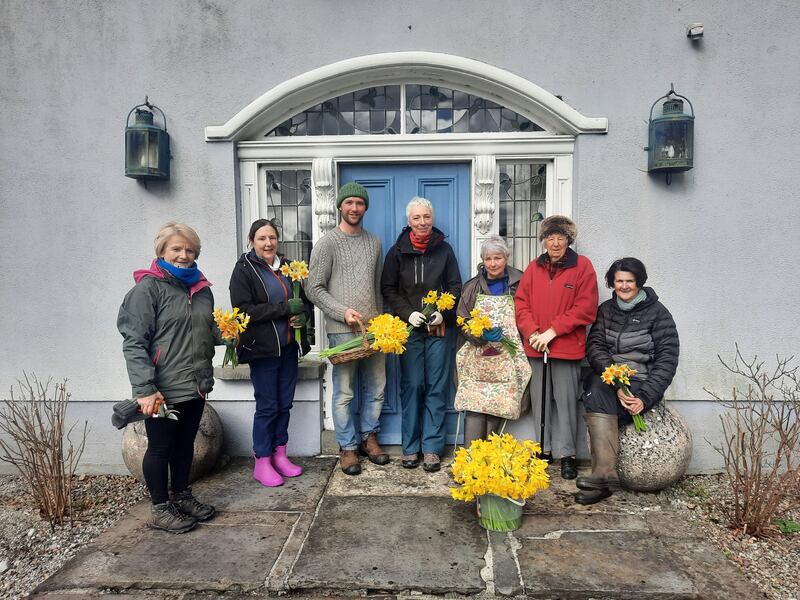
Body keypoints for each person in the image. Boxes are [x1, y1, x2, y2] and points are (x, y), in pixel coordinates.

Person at [117, 222, 218, 534]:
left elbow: (205, 331)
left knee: (185, 444)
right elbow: (134, 341)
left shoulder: (201, 290)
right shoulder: (148, 289)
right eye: (176, 249)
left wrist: (227, 332)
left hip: (195, 384)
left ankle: (182, 495)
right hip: (162, 388)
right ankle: (161, 508)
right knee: (160, 448)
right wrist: (145, 389)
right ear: (161, 251)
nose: (183, 255)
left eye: (189, 250)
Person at [575, 257, 680, 504]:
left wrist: (644, 398)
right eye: (619, 281)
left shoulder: (658, 313)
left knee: (605, 404)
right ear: (612, 283)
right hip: (611, 377)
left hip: (642, 381)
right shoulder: (606, 310)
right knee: (595, 391)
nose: (623, 286)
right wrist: (614, 377)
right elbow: (596, 345)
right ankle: (604, 475)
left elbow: (667, 360)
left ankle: (600, 480)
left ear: (639, 282)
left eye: (629, 281)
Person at [306, 182, 390, 476]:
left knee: (377, 387)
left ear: (365, 207)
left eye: (360, 203)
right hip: (343, 331)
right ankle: (348, 447)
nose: (354, 208)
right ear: (340, 206)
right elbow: (313, 289)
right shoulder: (327, 243)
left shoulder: (374, 243)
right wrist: (343, 312)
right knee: (344, 392)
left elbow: (377, 287)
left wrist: (381, 322)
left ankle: (370, 438)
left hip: (373, 331)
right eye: (349, 203)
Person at [229, 219, 312, 487]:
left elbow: (304, 303)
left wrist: (302, 317)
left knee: (284, 403)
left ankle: (280, 454)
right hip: (263, 350)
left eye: (272, 238)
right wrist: (285, 309)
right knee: (267, 406)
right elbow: (244, 311)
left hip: (287, 348)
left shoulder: (288, 267)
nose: (268, 243)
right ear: (252, 241)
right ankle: (262, 461)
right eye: (262, 238)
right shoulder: (244, 269)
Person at [381, 197, 462, 472]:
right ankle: (410, 447)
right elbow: (388, 288)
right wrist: (407, 313)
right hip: (410, 329)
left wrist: (443, 312)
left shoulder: (445, 250)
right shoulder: (397, 252)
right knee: (413, 385)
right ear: (409, 221)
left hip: (439, 328)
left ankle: (431, 448)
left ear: (432, 218)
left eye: (426, 216)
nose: (422, 222)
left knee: (436, 387)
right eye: (417, 218)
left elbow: (454, 286)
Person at [515, 215, 598, 480]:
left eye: (560, 237)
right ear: (544, 241)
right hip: (537, 347)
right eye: (550, 238)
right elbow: (521, 304)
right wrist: (533, 333)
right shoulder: (533, 268)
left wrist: (553, 331)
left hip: (566, 348)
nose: (555, 243)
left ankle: (567, 455)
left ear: (568, 240)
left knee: (565, 403)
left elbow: (585, 308)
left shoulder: (582, 267)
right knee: (541, 402)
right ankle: (544, 450)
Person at [456, 236, 529, 445]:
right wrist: (479, 335)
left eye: (498, 258)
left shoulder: (519, 284)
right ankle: (471, 460)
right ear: (482, 260)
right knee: (475, 402)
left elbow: (529, 313)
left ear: (506, 258)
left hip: (508, 355)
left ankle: (491, 461)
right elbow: (462, 320)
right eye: (488, 258)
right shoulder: (472, 287)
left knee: (499, 403)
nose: (493, 263)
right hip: (477, 355)